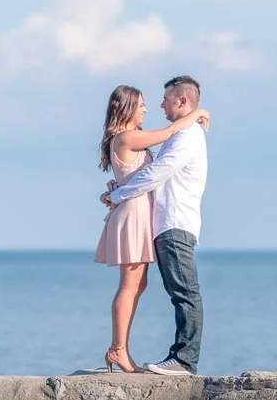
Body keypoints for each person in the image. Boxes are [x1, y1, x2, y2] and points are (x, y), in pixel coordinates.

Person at [94, 84, 210, 374]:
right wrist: (198, 112)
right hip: (133, 215)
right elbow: (168, 136)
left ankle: (121, 349)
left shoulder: (131, 139)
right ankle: (118, 349)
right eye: (142, 104)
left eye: (159, 101)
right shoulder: (128, 136)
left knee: (138, 285)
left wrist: (116, 189)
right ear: (128, 107)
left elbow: (139, 172)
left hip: (140, 214)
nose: (149, 108)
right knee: (130, 285)